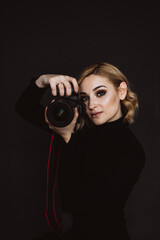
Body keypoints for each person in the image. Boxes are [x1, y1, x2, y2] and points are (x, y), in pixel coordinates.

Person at [15, 62, 145, 240]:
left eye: (100, 93)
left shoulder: (131, 151)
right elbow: (24, 108)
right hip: (74, 233)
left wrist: (68, 138)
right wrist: (43, 80)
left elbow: (78, 203)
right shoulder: (77, 127)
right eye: (84, 97)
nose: (92, 104)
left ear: (121, 91)